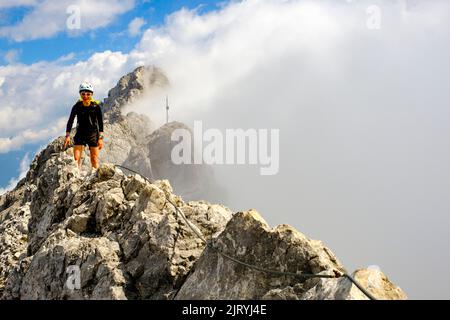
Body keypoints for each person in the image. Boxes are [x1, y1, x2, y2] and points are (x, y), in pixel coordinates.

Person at [64, 82, 104, 171]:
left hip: (93, 134)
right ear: (80, 94)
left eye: (88, 94)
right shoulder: (77, 106)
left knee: (94, 159)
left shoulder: (96, 107)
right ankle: (76, 178)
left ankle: (95, 179)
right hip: (80, 133)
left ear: (92, 94)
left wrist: (100, 138)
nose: (85, 96)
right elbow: (70, 121)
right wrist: (67, 136)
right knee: (76, 159)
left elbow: (100, 123)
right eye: (83, 94)